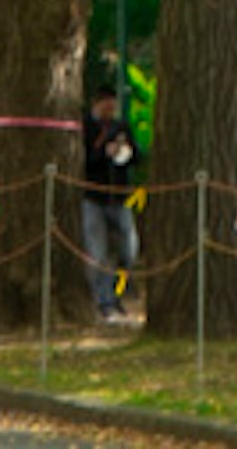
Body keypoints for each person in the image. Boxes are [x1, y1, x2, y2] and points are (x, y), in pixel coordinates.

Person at [79, 92, 141, 325]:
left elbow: (137, 157)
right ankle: (103, 300)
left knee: (128, 248)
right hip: (93, 198)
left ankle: (117, 292)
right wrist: (103, 153)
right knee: (98, 252)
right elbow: (84, 161)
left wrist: (127, 151)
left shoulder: (121, 126)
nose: (110, 109)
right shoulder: (86, 127)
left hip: (119, 198)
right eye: (107, 104)